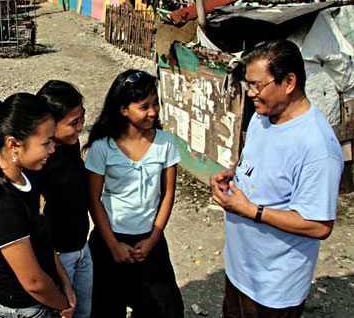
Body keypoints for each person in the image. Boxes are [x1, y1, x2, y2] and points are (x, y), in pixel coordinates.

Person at [210, 40, 343, 318]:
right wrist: (235, 173)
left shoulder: (317, 146)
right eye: (248, 84)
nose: (250, 94)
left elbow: (319, 225)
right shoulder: (263, 116)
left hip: (273, 289)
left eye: (257, 85)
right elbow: (261, 163)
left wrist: (251, 211)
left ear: (289, 82)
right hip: (239, 269)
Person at [0, 93, 76, 318]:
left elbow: (43, 241)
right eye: (46, 143)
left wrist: (65, 284)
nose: (52, 149)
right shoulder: (2, 206)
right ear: (14, 144)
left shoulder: (28, 178)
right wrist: (63, 304)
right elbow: (33, 282)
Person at [84, 69, 184, 318]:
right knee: (105, 309)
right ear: (123, 109)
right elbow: (93, 198)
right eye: (144, 106)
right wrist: (113, 244)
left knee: (164, 308)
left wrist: (153, 238)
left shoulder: (165, 143)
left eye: (155, 104)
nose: (153, 112)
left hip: (149, 242)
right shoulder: (102, 147)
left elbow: (168, 193)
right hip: (110, 241)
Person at [26, 80, 92, 318]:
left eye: (82, 118)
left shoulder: (70, 145)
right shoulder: (39, 161)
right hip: (58, 257)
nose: (81, 127)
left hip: (81, 248)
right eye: (74, 123)